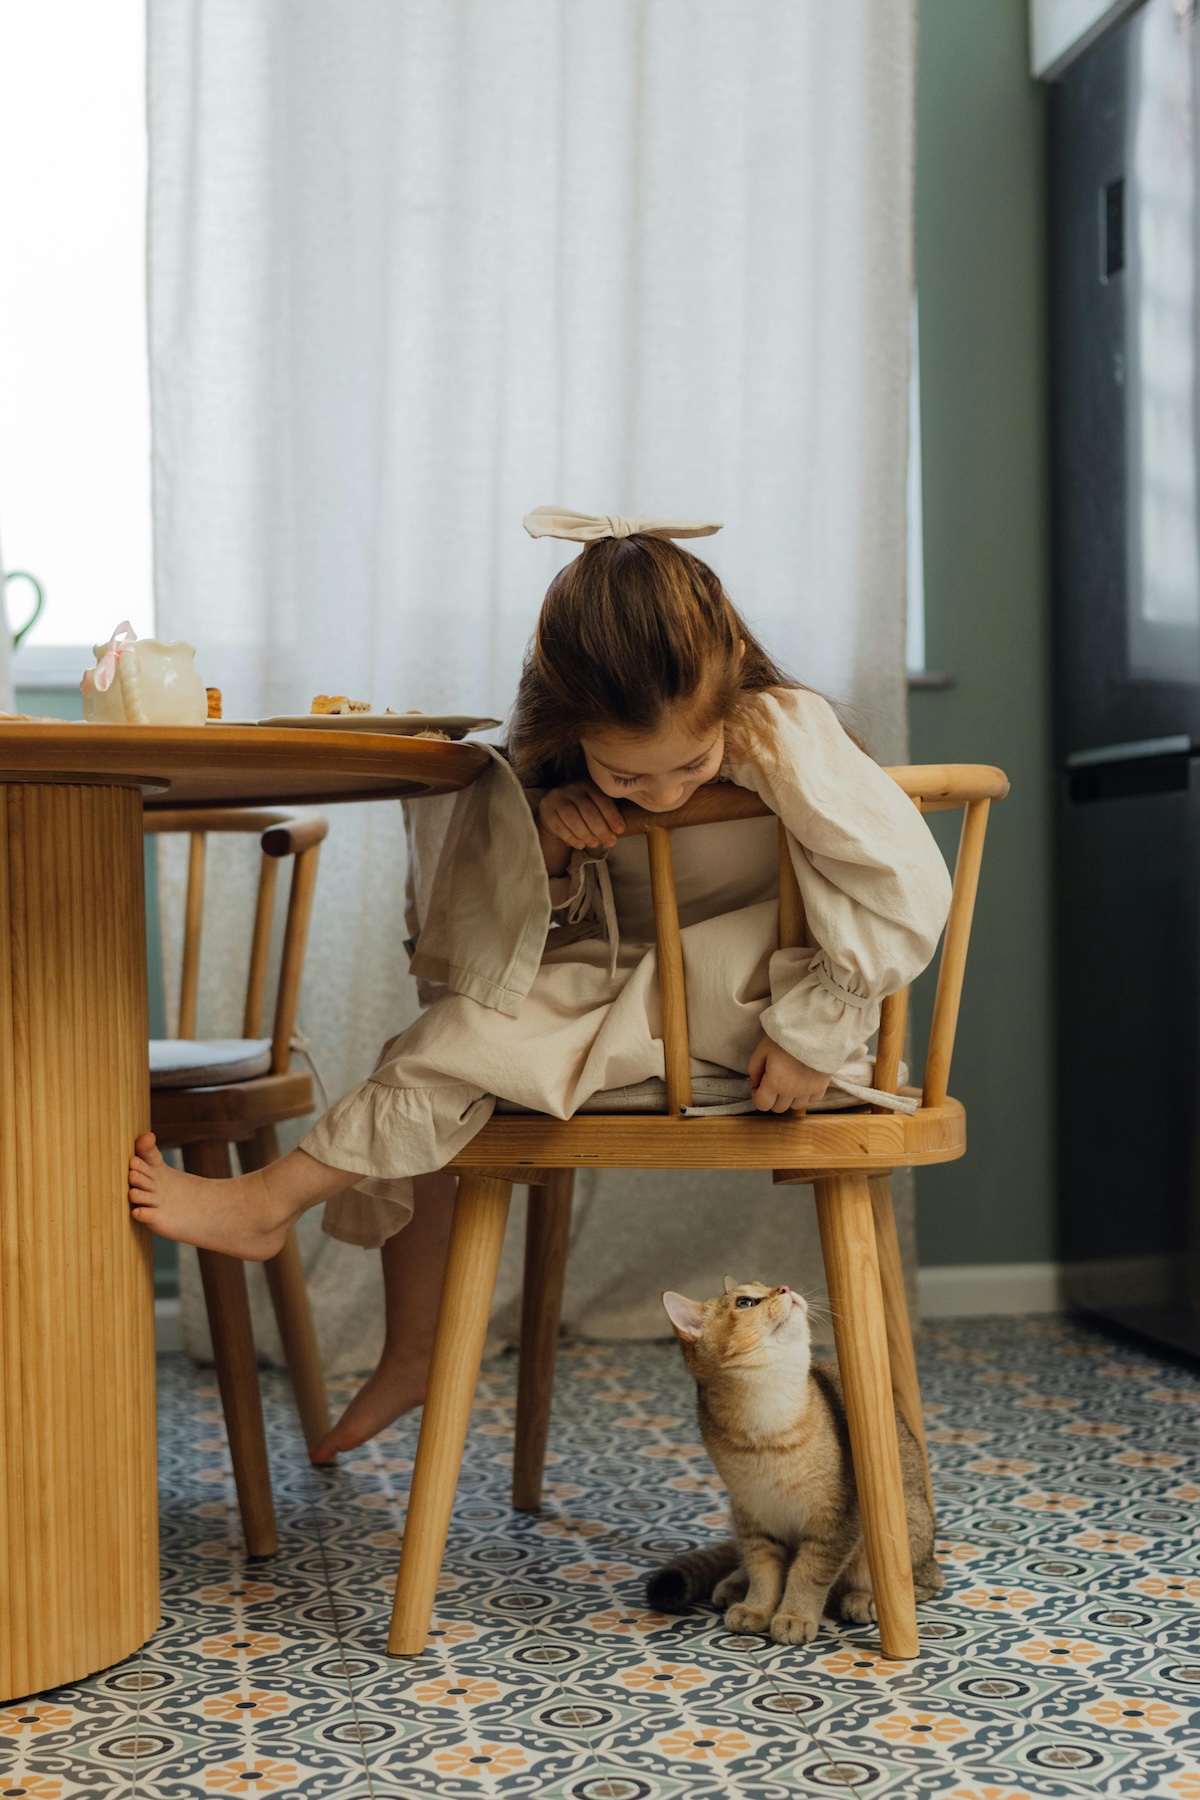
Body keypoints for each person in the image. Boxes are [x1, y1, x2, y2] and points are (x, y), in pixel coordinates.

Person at [128, 506, 952, 1462]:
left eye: (692, 766)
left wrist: (819, 1026)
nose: (670, 795)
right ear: (569, 723)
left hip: (766, 1011)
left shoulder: (776, 725)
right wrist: (554, 843)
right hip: (641, 997)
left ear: (730, 664)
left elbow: (905, 882)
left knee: (462, 1051)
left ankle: (271, 1202)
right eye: (630, 778)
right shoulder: (562, 765)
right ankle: (414, 1347)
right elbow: (539, 935)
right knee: (449, 1040)